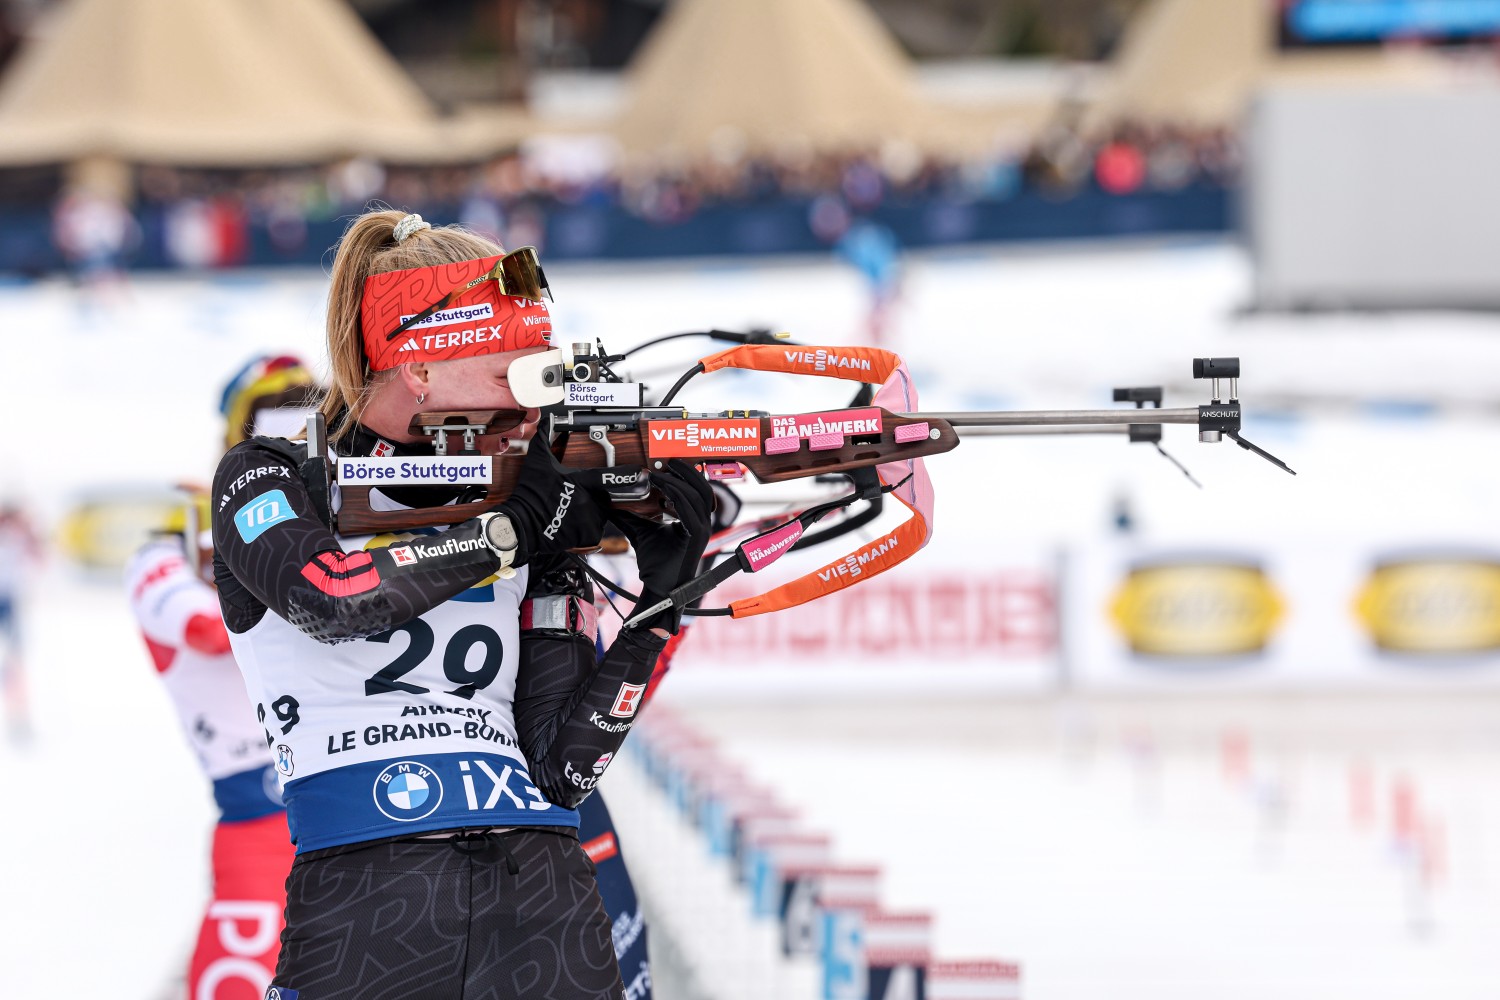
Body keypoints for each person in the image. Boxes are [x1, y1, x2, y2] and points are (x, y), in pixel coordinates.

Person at [210, 210, 712, 1000]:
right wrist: (508, 533)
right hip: (367, 904)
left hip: (546, 902)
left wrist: (661, 604)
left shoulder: (526, 492)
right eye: (515, 380)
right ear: (419, 367)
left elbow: (562, 771)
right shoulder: (269, 475)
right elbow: (333, 596)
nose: (535, 413)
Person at [126, 357, 319, 998]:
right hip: (262, 823)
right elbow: (206, 629)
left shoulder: (339, 532)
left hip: (368, 809)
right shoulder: (168, 549)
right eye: (272, 422)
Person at [126, 490, 295, 1000]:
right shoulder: (161, 561)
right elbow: (208, 632)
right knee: (240, 981)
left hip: (342, 796)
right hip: (261, 819)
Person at [0, 502, 42, 743]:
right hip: (6, 599)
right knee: (13, 654)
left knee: (15, 655)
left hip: (11, 600)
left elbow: (38, 558)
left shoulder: (20, 537)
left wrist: (31, 534)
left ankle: (18, 709)